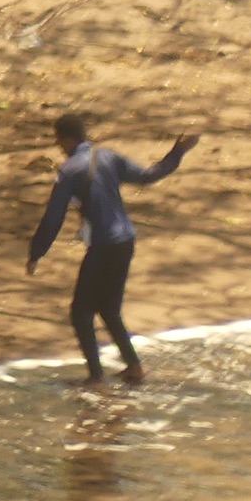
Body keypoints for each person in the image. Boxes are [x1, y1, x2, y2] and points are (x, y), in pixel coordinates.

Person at [26, 113, 200, 386]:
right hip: (126, 241)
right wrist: (176, 152)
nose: (59, 146)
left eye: (59, 141)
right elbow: (147, 176)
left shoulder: (69, 171)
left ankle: (96, 376)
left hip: (103, 245)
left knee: (81, 312)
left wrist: (36, 253)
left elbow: (53, 218)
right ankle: (134, 367)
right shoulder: (107, 157)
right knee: (108, 308)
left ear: (66, 139)